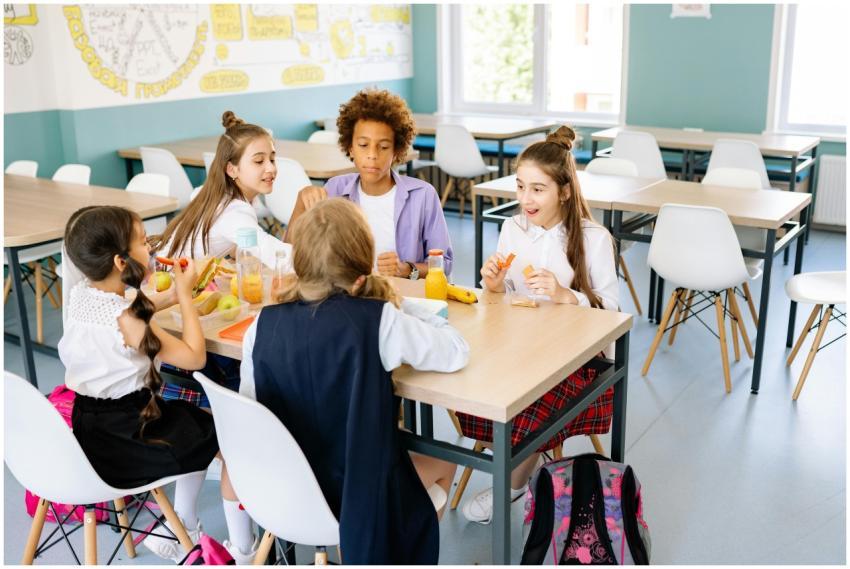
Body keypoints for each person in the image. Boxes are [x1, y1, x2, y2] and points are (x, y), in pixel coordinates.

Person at [240, 198, 467, 563]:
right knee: (444, 461)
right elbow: (456, 351)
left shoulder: (261, 324)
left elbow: (251, 411)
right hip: (360, 496)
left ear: (299, 264)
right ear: (361, 274)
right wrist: (402, 305)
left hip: (282, 490)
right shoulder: (379, 320)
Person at [58, 206, 258, 563]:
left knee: (192, 421)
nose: (150, 248)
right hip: (131, 440)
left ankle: (183, 524)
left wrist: (177, 292)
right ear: (121, 261)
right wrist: (185, 296)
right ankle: (245, 551)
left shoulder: (81, 296)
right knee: (232, 437)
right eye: (143, 242)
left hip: (90, 434)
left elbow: (132, 309)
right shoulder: (130, 322)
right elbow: (195, 357)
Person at [458, 126, 619, 524]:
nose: (525, 199)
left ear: (564, 191)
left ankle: (510, 485)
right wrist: (494, 285)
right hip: (519, 348)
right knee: (471, 381)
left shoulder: (595, 238)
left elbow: (612, 311)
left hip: (575, 360)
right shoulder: (512, 229)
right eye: (520, 187)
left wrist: (567, 295)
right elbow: (500, 300)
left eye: (537, 189)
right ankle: (530, 456)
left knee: (529, 399)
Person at [286, 88, 454, 278]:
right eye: (363, 145)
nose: (372, 155)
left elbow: (445, 264)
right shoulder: (334, 190)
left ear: (396, 151)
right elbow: (289, 257)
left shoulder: (423, 195)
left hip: (400, 292)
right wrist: (301, 203)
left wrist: (407, 269)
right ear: (350, 147)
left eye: (383, 147)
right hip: (347, 292)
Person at [152, 110, 290, 270]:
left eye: (272, 159)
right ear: (231, 169)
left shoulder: (213, 194)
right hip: (170, 279)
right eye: (259, 161)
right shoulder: (234, 211)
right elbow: (279, 258)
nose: (271, 168)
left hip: (161, 271)